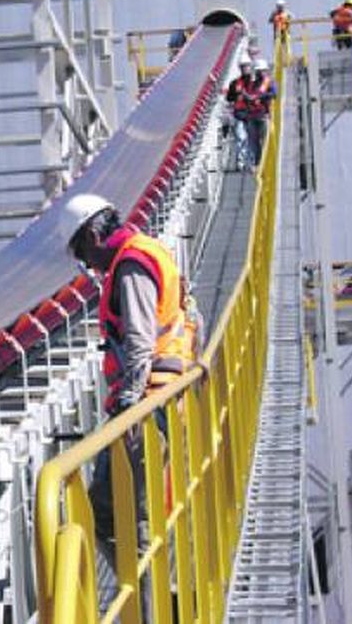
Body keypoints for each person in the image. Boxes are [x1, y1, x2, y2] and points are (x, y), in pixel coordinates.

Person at [60, 194, 196, 583]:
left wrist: (126, 408)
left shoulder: (130, 268)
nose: (86, 264)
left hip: (147, 403)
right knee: (135, 509)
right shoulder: (148, 249)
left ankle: (148, 603)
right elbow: (190, 313)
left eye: (82, 252)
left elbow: (138, 340)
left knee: (112, 513)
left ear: (92, 234)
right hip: (166, 394)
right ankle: (154, 596)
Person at [225, 57, 256, 170]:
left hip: (252, 114)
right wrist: (236, 96)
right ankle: (241, 163)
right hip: (239, 114)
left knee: (252, 139)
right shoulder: (234, 83)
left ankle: (253, 163)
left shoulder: (255, 83)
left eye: (247, 66)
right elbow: (228, 98)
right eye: (243, 67)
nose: (245, 69)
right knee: (241, 138)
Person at [245, 58, 276, 168]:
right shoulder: (251, 84)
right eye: (259, 71)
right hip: (252, 116)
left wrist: (260, 96)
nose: (261, 73)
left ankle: (266, 163)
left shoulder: (269, 83)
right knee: (254, 141)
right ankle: (258, 162)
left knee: (265, 140)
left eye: (262, 71)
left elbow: (274, 94)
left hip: (263, 116)